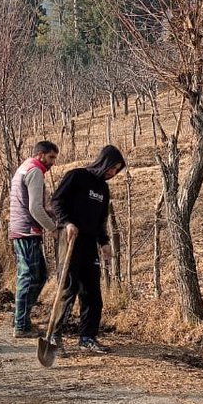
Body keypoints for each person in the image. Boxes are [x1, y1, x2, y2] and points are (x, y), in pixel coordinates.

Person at [50, 144, 126, 354]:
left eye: (116, 170)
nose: (112, 173)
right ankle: (55, 336)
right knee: (69, 287)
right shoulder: (76, 176)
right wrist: (66, 222)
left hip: (89, 243)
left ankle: (87, 337)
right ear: (103, 162)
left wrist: (104, 242)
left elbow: (101, 219)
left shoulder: (103, 189)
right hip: (70, 238)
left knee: (92, 292)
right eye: (112, 167)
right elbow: (56, 201)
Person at [8, 141, 60, 338]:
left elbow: (30, 204)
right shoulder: (35, 171)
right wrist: (53, 229)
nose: (52, 162)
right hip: (27, 231)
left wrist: (51, 213)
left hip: (21, 228)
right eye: (51, 157)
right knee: (30, 277)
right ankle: (20, 325)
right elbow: (34, 208)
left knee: (36, 276)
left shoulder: (23, 168)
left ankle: (20, 319)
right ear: (40, 155)